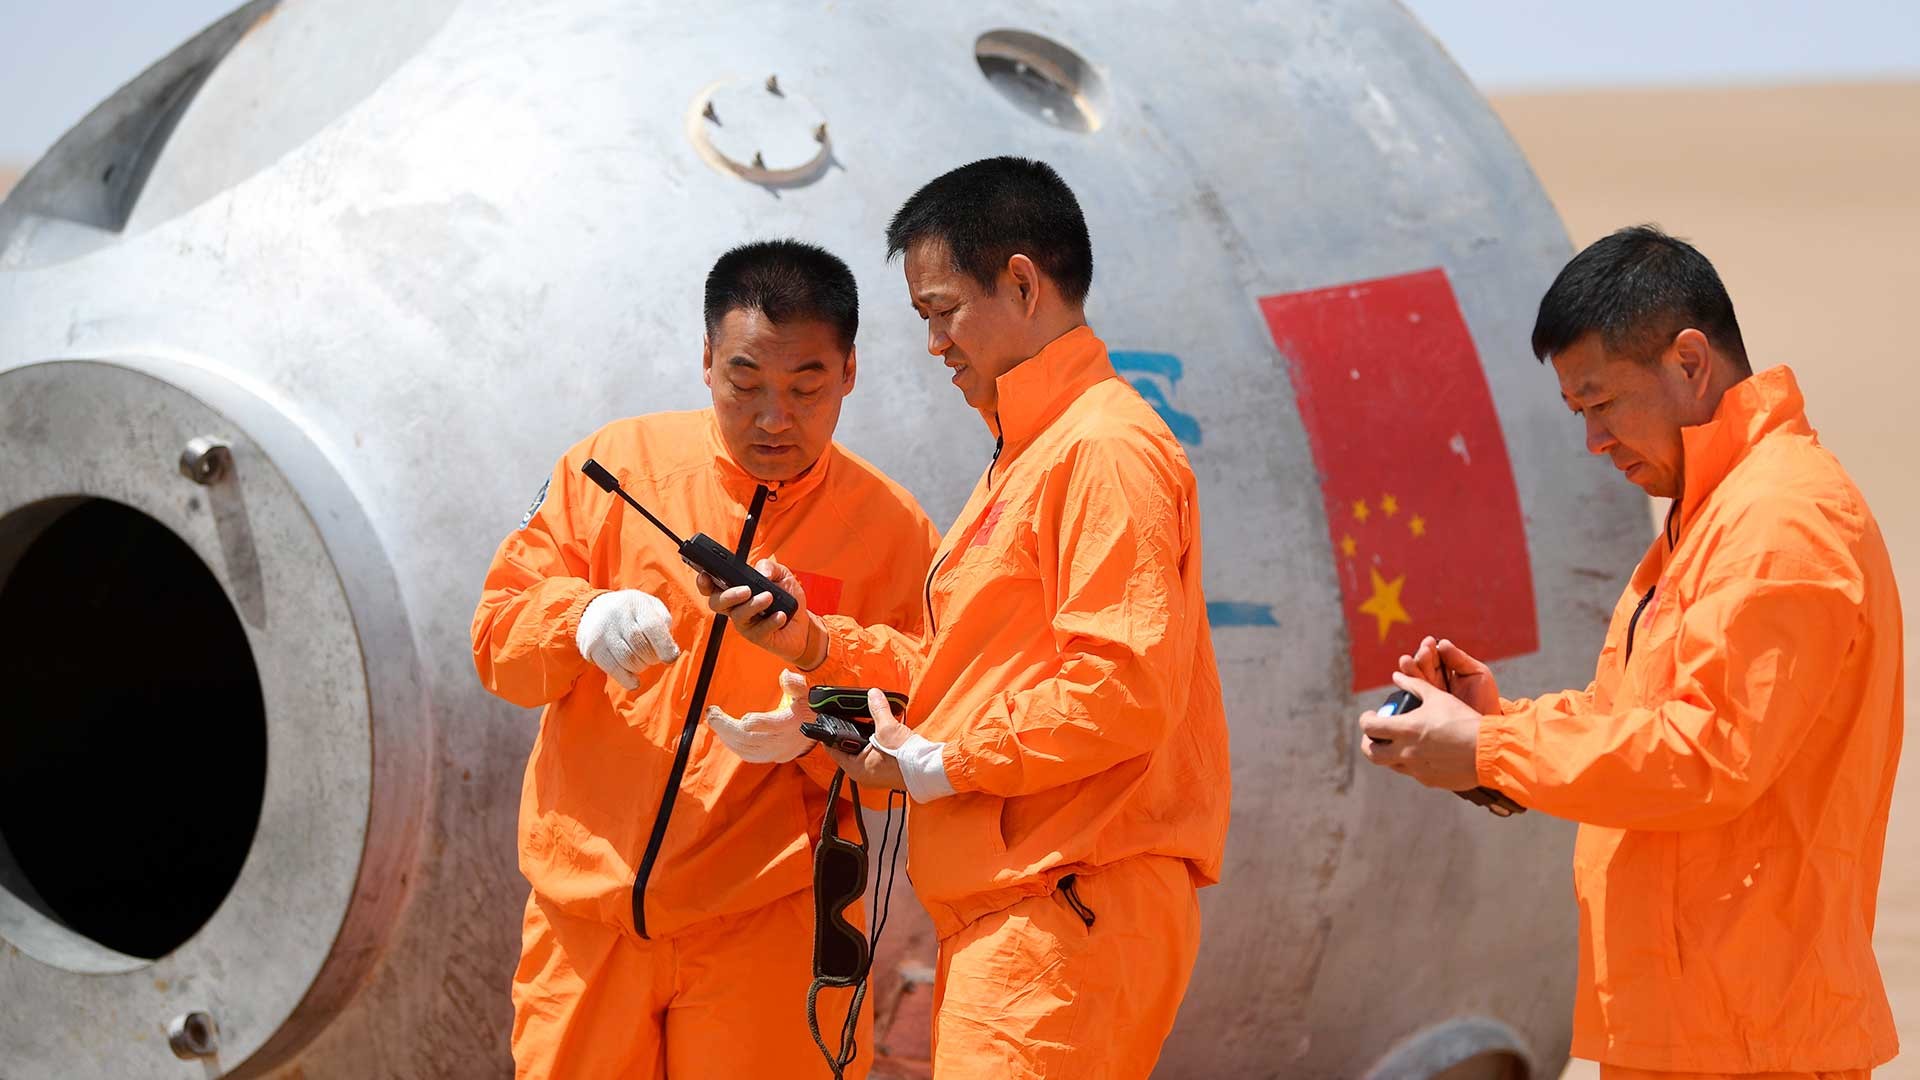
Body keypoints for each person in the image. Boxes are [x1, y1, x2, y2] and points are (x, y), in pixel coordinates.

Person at [702, 157, 1232, 1079]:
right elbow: (970, 669)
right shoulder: (1029, 456)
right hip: (1025, 912)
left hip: (1066, 908)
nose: (936, 342)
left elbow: (1120, 690)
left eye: (942, 310)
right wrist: (818, 648)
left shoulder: (1103, 451)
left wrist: (943, 763)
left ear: (1022, 283)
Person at [1359, 226, 1902, 1080]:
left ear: (1690, 362)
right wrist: (1494, 727)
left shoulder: (1782, 523)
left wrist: (1493, 750)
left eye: (1602, 404)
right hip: (1687, 1030)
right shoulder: (1713, 516)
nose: (1594, 443)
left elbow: (1705, 756)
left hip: (1752, 1044)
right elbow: (1635, 727)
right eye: (1578, 415)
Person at [470, 239, 939, 1079]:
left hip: (768, 922)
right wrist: (581, 619)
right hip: (587, 922)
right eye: (745, 381)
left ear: (851, 373)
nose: (773, 419)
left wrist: (816, 725)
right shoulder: (611, 468)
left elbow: (925, 707)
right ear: (705, 362)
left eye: (806, 388)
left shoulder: (893, 530)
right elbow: (497, 641)